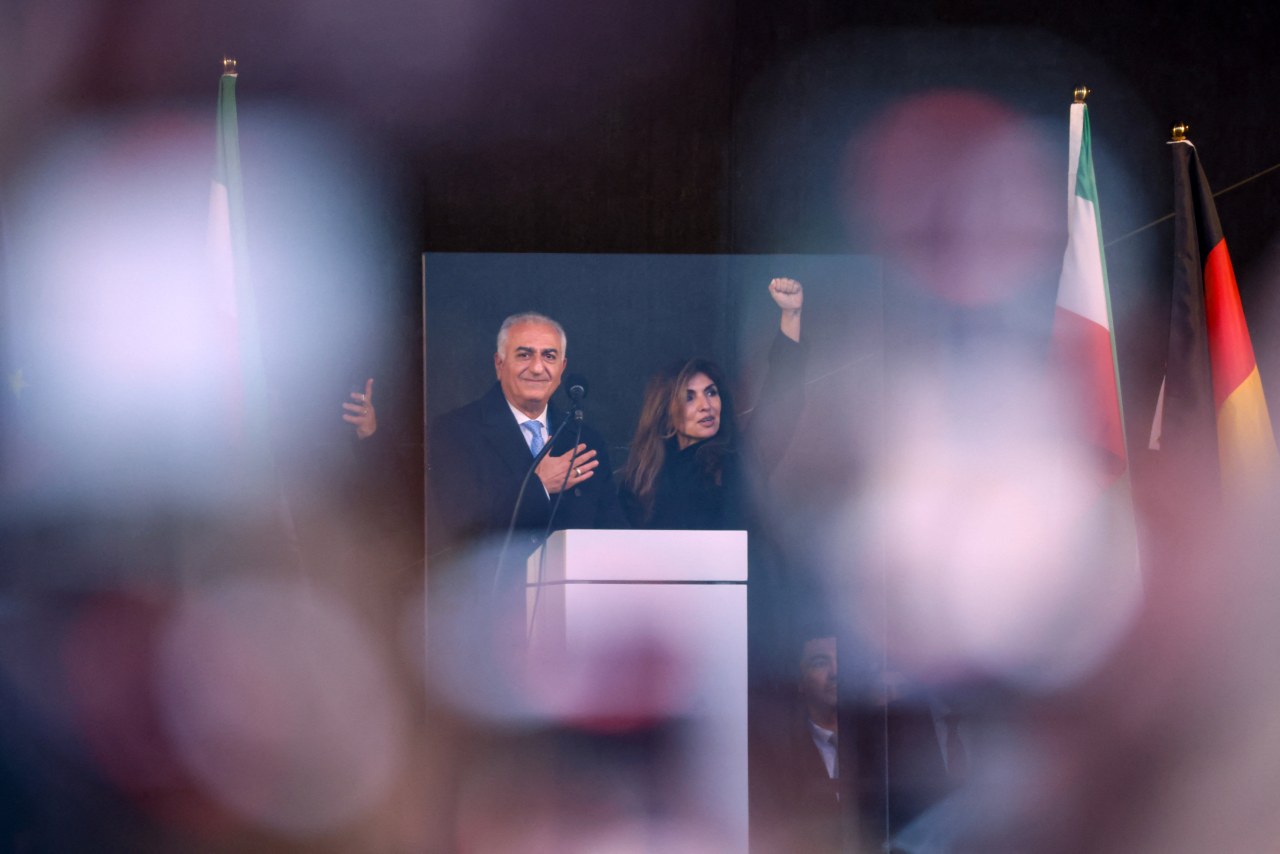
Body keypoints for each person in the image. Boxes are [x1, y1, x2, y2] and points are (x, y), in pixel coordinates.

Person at [427, 312, 627, 563]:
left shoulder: (585, 440)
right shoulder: (457, 430)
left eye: (549, 356)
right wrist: (539, 486)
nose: (536, 368)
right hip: (492, 597)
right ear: (499, 364)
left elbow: (612, 534)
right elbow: (462, 524)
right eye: (524, 355)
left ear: (562, 368)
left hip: (571, 598)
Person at [618, 277, 805, 530]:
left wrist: (791, 314)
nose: (706, 405)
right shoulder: (642, 477)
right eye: (689, 397)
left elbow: (782, 403)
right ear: (666, 413)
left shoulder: (736, 462)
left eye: (711, 392)